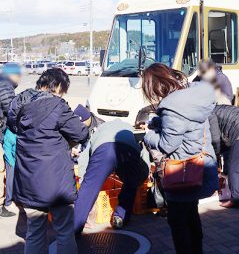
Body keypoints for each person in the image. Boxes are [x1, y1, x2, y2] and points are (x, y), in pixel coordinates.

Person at [7, 69, 88, 254]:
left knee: (34, 232)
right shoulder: (57, 106)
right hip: (56, 182)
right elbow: (81, 133)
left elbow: (15, 127)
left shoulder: (19, 103)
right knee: (64, 232)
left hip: (28, 181)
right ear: (58, 85)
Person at [142, 63, 218, 254]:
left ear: (156, 86)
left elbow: (168, 144)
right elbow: (184, 128)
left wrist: (148, 135)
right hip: (199, 165)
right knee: (191, 215)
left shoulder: (172, 107)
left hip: (182, 171)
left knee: (178, 221)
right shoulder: (192, 97)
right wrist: (159, 122)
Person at [73, 105, 149, 233]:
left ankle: (75, 228)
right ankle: (120, 217)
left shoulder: (100, 130)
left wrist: (84, 176)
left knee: (89, 188)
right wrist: (142, 175)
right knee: (130, 183)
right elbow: (143, 153)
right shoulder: (129, 129)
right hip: (129, 150)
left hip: (104, 150)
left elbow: (87, 154)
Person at [0, 62, 21, 217]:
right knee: (4, 169)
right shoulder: (5, 86)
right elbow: (11, 111)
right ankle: (5, 204)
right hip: (3, 133)